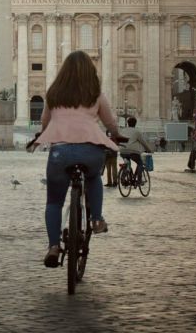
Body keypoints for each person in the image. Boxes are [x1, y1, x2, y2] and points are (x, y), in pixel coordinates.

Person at [33, 51, 125, 268]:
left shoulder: (53, 94)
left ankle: (54, 246)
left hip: (60, 153)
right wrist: (116, 134)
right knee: (93, 177)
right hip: (90, 150)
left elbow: (44, 121)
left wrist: (43, 134)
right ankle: (97, 219)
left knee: (54, 202)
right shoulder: (96, 94)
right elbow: (110, 123)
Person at [119, 116, 154, 185]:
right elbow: (143, 142)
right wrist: (149, 150)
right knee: (140, 163)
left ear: (128, 123)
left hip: (122, 150)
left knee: (127, 163)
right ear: (135, 124)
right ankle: (139, 180)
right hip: (132, 152)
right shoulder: (137, 131)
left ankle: (124, 176)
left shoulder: (123, 130)